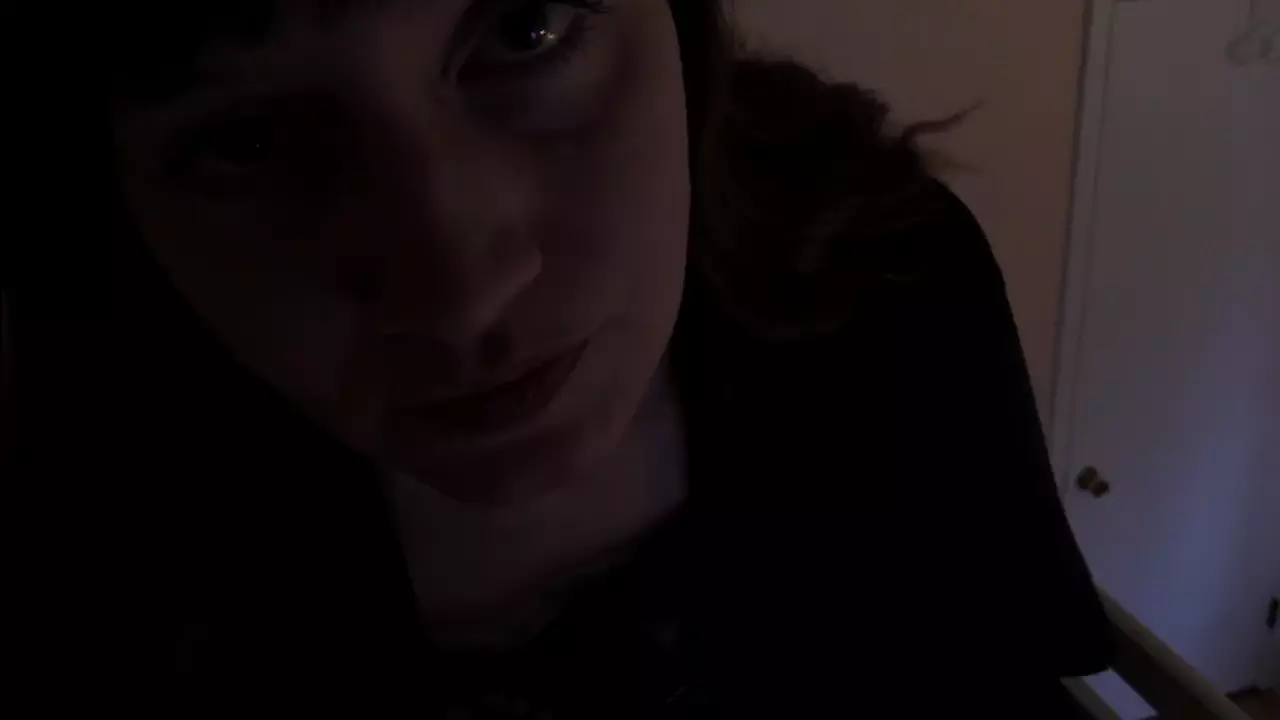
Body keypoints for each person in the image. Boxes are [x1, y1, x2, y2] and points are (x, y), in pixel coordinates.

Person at [3, 0, 1112, 716]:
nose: (459, 291)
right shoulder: (77, 531)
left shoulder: (884, 271)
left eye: (527, 27)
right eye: (245, 139)